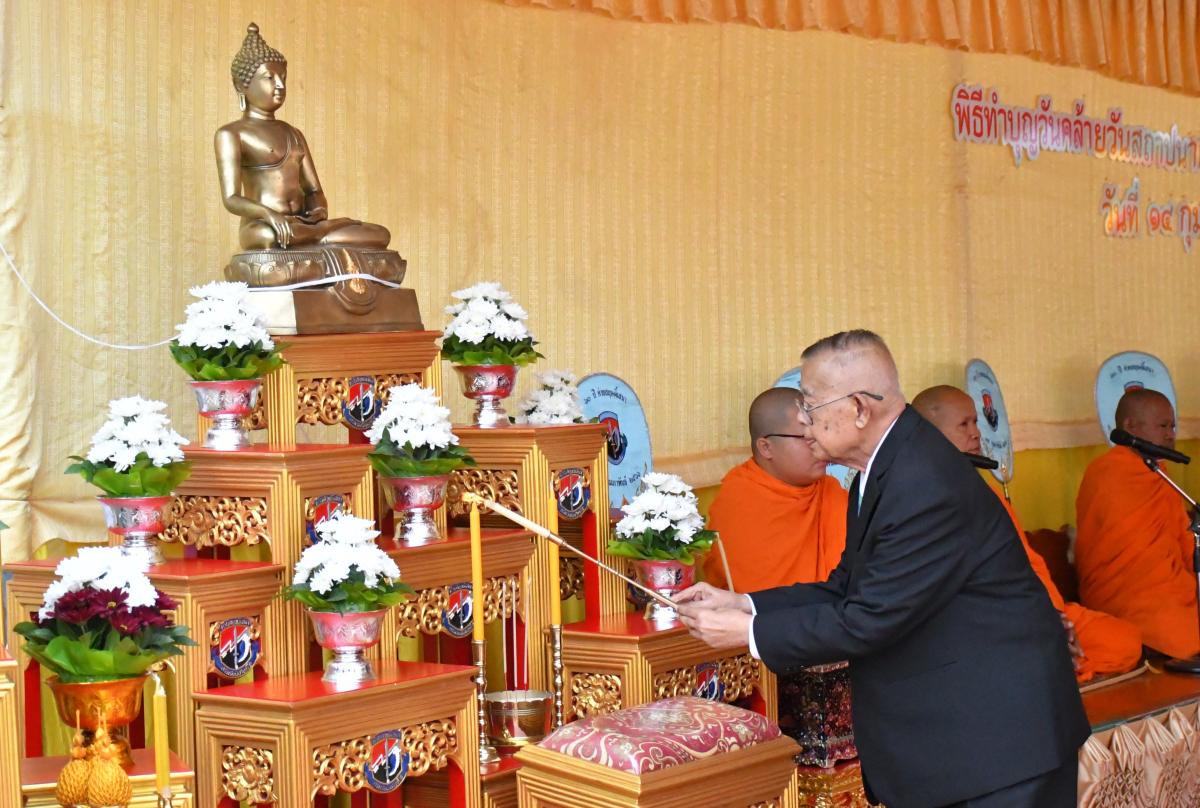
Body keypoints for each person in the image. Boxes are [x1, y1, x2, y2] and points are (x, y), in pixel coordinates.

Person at [677, 330, 1088, 808]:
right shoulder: (880, 470)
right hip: (965, 737)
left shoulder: (922, 480)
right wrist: (744, 603)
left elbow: (869, 617)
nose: (805, 421)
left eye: (810, 405)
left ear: (858, 408)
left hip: (1000, 744)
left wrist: (748, 632)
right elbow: (845, 587)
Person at [913, 385, 1142, 682]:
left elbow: (1028, 565)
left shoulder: (986, 492)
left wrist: (1053, 616)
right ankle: (1052, 664)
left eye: (976, 423)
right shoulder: (926, 499)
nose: (976, 434)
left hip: (1039, 609)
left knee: (1124, 640)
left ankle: (1056, 663)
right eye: (963, 425)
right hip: (998, 619)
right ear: (932, 436)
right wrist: (1034, 619)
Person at [215, 23, 392, 251]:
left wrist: (318, 211)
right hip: (264, 226)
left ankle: (315, 237)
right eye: (270, 78)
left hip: (302, 224)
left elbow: (314, 191)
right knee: (269, 236)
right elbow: (231, 198)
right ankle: (319, 238)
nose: (280, 85)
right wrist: (269, 214)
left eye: (283, 78)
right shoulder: (232, 134)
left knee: (379, 234)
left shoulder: (294, 133)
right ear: (242, 85)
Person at [1075, 388, 1199, 658]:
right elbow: (1127, 552)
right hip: (1128, 595)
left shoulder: (1159, 473)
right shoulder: (1106, 472)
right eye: (1163, 426)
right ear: (1130, 426)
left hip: (1175, 589)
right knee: (1183, 635)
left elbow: (1184, 537)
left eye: (1173, 427)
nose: (1171, 434)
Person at [703, 387, 847, 591]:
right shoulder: (740, 503)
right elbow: (747, 598)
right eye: (806, 438)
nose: (822, 446)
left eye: (821, 432)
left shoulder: (831, 493)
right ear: (766, 447)